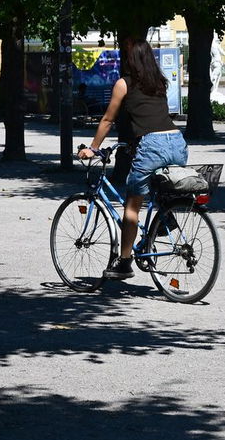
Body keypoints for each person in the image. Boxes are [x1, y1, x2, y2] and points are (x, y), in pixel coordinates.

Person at [77, 37, 188, 280]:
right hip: (177, 142)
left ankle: (124, 262)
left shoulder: (123, 84)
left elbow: (107, 120)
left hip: (153, 144)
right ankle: (161, 222)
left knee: (131, 205)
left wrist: (93, 149)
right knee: (159, 190)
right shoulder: (159, 83)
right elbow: (153, 115)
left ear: (131, 60)